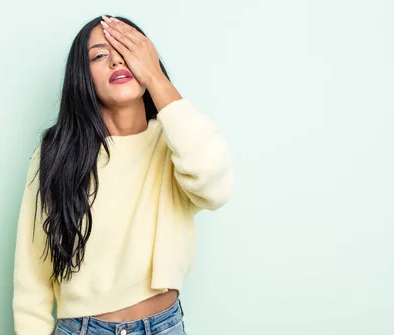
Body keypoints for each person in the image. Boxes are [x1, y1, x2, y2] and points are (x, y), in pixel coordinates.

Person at [12, 14, 233, 335]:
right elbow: (32, 275)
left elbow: (215, 188)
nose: (117, 60)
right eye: (100, 55)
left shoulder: (177, 142)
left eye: (129, 50)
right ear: (82, 76)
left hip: (165, 325)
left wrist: (156, 79)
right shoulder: (58, 153)